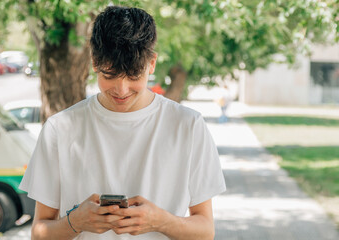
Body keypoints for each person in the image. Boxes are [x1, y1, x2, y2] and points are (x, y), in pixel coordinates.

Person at [19, 6, 226, 240]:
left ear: (152, 63)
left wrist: (161, 221)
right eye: (110, 75)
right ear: (94, 62)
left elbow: (205, 231)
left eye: (134, 76)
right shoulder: (60, 128)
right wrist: (75, 222)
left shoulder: (188, 126)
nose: (121, 89)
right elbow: (39, 232)